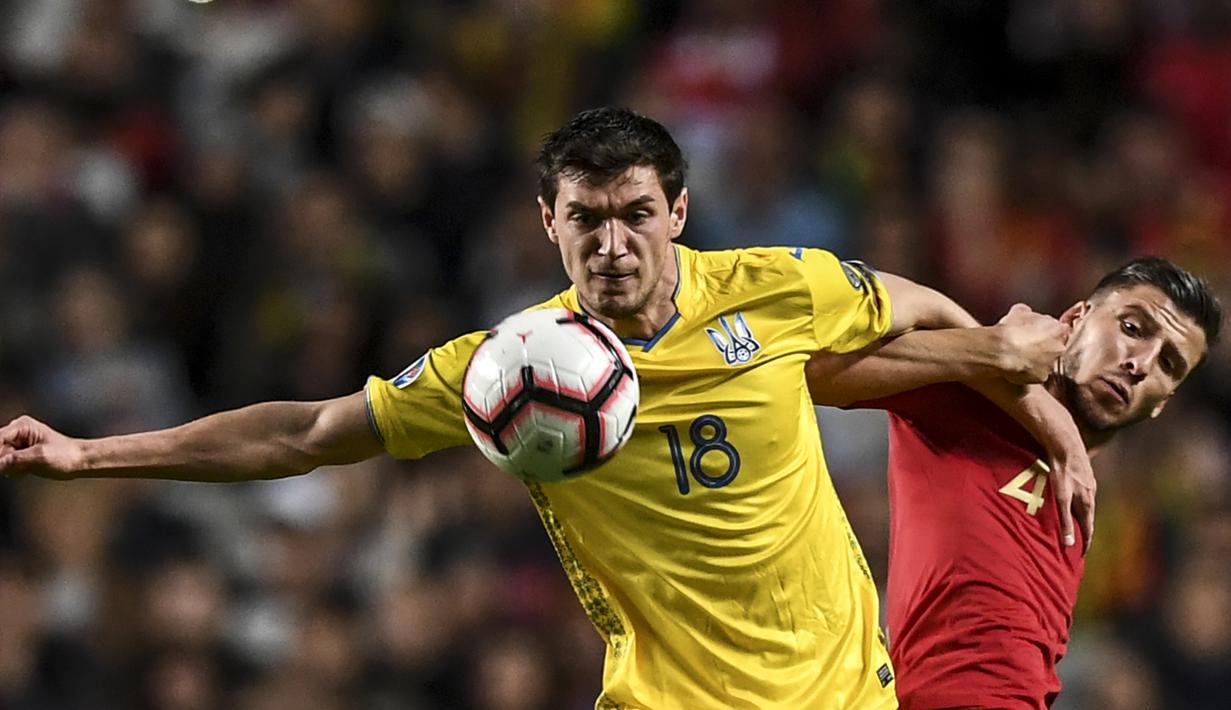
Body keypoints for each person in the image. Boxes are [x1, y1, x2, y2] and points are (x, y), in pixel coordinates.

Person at [0, 106, 1076, 709]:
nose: (614, 244)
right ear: (546, 222)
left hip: (848, 694)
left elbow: (933, 314)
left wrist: (1052, 416)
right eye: (586, 219)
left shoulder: (777, 286)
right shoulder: (508, 368)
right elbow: (308, 429)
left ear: (680, 210)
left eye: (637, 214)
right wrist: (92, 455)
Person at [807, 257, 1222, 709]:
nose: (1139, 363)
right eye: (1132, 328)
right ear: (1074, 320)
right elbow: (818, 366)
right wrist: (994, 355)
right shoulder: (968, 393)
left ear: (1163, 402)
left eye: (1168, 363)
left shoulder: (1092, 494)